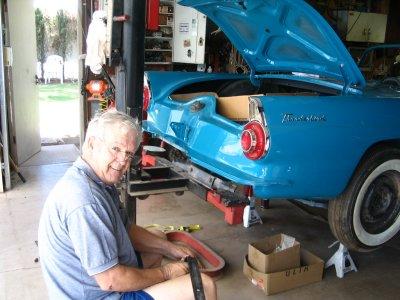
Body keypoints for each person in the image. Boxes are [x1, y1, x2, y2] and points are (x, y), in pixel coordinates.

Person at [38, 110, 217, 300]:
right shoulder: (85, 201)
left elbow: (125, 229)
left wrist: (169, 248)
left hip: (95, 282)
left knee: (158, 238)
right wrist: (167, 273)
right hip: (101, 292)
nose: (123, 160)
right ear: (92, 144)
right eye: (115, 149)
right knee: (204, 285)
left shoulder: (97, 179)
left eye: (129, 154)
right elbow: (110, 280)